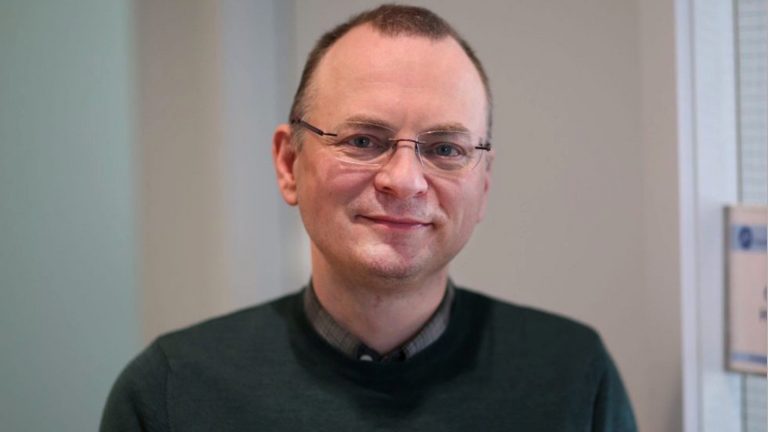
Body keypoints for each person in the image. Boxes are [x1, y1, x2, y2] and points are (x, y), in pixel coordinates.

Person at [101, 4, 637, 431]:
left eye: (445, 149)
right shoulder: (173, 392)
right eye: (362, 140)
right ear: (289, 164)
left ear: (484, 184)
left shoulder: (572, 377)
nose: (404, 180)